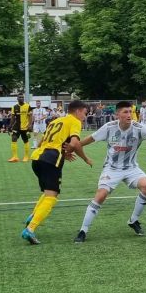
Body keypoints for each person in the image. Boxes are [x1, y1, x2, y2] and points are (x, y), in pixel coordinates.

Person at [74, 101, 146, 243]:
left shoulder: (139, 128)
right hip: (111, 168)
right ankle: (83, 230)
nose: (129, 115)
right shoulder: (108, 128)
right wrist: (73, 147)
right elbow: (88, 140)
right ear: (117, 115)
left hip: (131, 168)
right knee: (101, 195)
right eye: (125, 112)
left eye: (130, 112)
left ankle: (133, 221)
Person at [21, 100, 92, 245]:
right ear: (78, 111)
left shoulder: (56, 120)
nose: (85, 117)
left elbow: (42, 142)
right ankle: (30, 228)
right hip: (51, 160)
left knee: (48, 192)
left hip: (37, 158)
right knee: (52, 197)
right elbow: (75, 143)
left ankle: (33, 215)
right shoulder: (75, 122)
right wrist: (85, 158)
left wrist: (63, 150)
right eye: (85, 113)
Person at [8, 94, 33, 162]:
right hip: (16, 127)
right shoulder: (14, 107)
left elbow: (31, 117)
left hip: (25, 127)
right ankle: (15, 157)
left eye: (22, 97)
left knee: (25, 140)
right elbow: (13, 117)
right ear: (17, 98)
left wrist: (30, 125)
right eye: (20, 97)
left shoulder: (28, 106)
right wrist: (10, 126)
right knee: (13, 138)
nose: (21, 98)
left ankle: (26, 156)